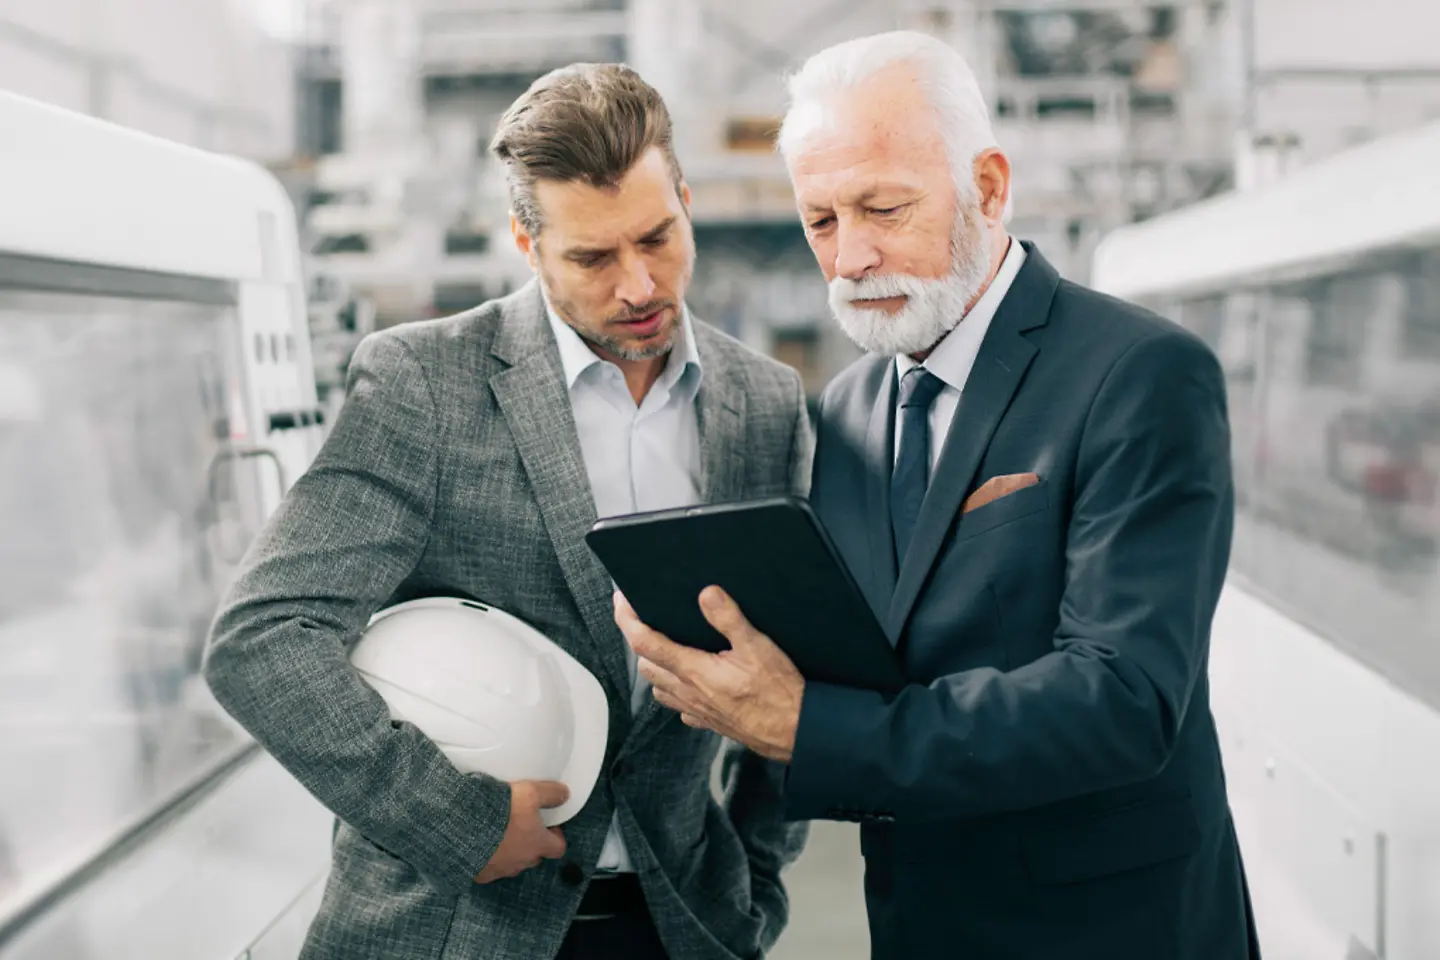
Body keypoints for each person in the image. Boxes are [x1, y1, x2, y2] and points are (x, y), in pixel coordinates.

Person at [615, 31, 1261, 960]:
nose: (851, 258)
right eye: (822, 222)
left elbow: (1124, 698)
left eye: (884, 207)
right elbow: (874, 658)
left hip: (1114, 928)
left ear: (989, 187)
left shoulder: (1140, 374)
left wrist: (810, 725)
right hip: (923, 923)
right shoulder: (850, 408)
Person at [204, 62, 811, 960]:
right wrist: (464, 823)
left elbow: (792, 664)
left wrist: (755, 887)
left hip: (682, 921)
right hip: (455, 923)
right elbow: (262, 639)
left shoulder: (767, 404)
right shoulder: (428, 383)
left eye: (658, 236)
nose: (640, 285)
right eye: (593, 257)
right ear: (527, 247)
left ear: (685, 200)